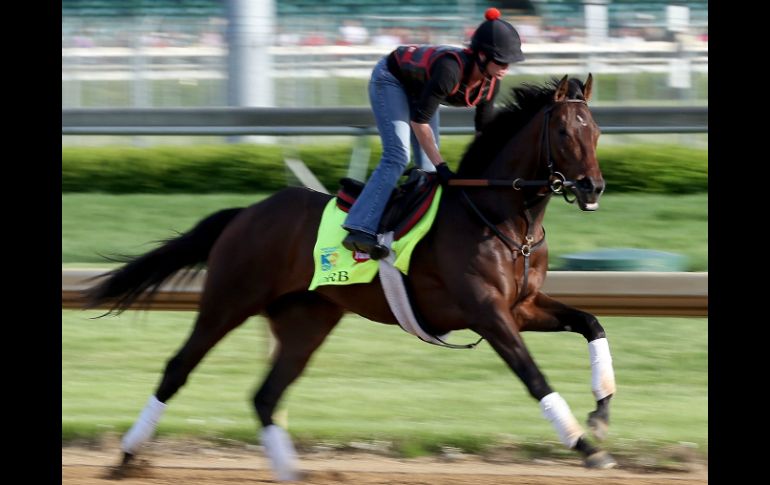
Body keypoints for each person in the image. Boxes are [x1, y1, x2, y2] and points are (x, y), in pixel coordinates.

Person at [341, 8, 525, 260]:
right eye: (501, 60)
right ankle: (360, 227)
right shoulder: (449, 71)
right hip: (391, 79)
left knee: (428, 171)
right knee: (397, 156)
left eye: (509, 62)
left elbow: (484, 132)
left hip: (420, 90)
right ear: (481, 55)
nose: (506, 67)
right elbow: (419, 122)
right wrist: (443, 165)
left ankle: (406, 229)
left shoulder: (490, 83)